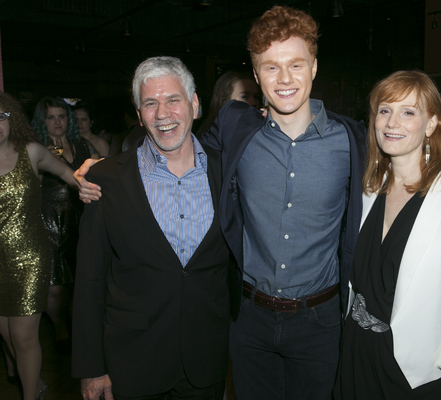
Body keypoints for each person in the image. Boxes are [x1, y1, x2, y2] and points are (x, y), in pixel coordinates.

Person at [75, 6, 366, 399]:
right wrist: (99, 167)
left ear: (314, 67)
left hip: (321, 322)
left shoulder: (353, 141)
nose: (284, 79)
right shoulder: (237, 130)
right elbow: (180, 149)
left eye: (295, 65)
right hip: (249, 323)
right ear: (256, 74)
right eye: (270, 68)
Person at [71, 56, 236, 400]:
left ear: (194, 104)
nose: (163, 114)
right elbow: (89, 280)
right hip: (131, 362)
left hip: (205, 360)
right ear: (138, 111)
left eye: (173, 100)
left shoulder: (230, 172)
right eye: (150, 103)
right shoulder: (106, 179)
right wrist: (91, 367)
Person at [334, 71, 441, 399]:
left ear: (432, 124)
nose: (392, 122)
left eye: (408, 112)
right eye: (384, 110)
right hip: (353, 352)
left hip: (408, 371)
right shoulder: (366, 188)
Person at [0, 91, 79, 400]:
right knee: (6, 332)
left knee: (23, 336)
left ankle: (30, 395)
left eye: (1, 117)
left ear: (12, 119)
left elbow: (70, 176)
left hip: (27, 257)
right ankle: (35, 383)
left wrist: (102, 186)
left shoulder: (31, 152)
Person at [31, 96, 98, 354]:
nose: (57, 122)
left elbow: (100, 171)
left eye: (61, 116)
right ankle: (60, 328)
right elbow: (30, 188)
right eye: (51, 117)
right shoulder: (37, 147)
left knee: (81, 282)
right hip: (47, 220)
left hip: (80, 217)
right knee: (54, 287)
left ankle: (78, 328)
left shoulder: (81, 144)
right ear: (42, 121)